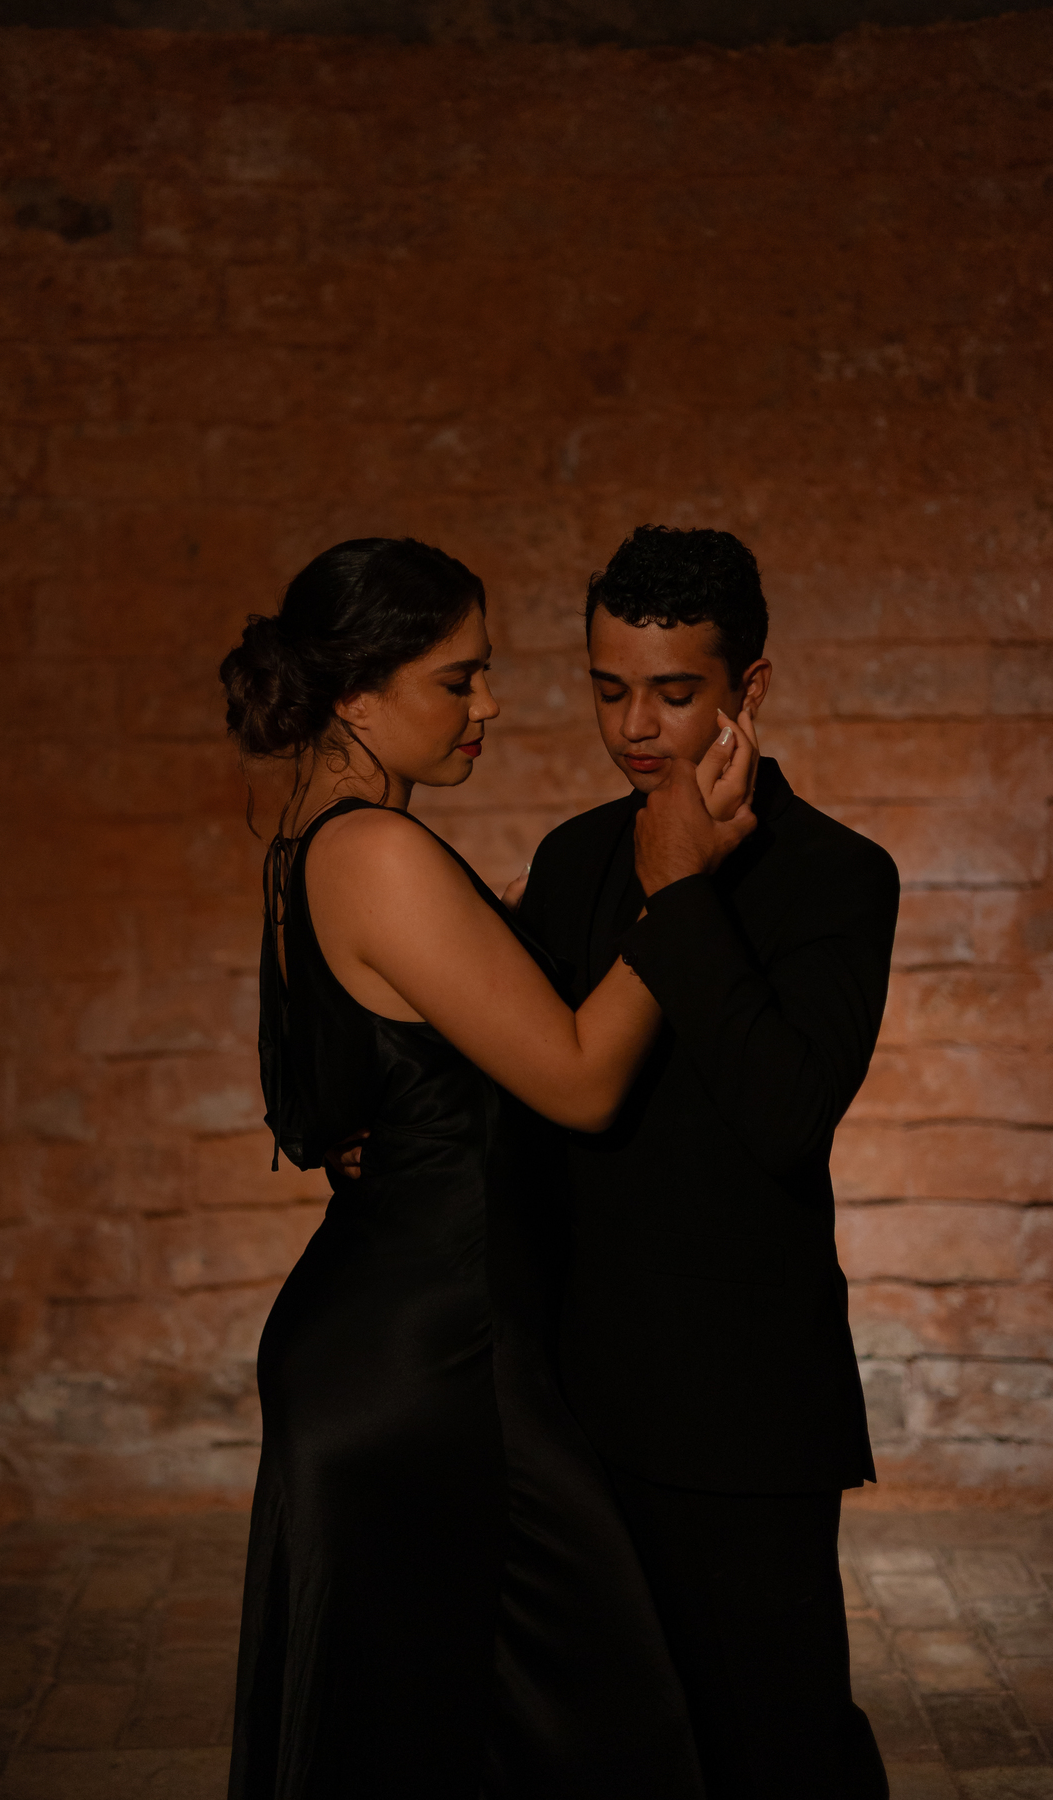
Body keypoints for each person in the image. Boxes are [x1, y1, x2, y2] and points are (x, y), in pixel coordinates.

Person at [220, 536, 756, 1800]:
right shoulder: (376, 853)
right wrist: (677, 893)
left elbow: (357, 1103)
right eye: (458, 680)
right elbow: (579, 1079)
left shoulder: (315, 845)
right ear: (359, 697)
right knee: (599, 1731)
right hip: (438, 1364)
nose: (491, 705)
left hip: (387, 1342)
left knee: (437, 1737)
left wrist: (507, 936)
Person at [517, 525, 899, 1800]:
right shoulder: (571, 860)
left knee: (775, 1753)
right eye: (608, 688)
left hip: (747, 1413)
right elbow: (537, 1102)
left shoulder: (841, 877)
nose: (635, 725)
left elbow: (785, 1114)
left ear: (750, 688)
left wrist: (681, 892)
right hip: (579, 1401)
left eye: (674, 692)